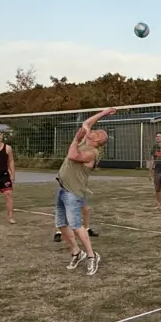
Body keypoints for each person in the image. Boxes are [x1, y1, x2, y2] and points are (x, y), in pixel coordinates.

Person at [55, 107, 116, 275]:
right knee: (61, 224)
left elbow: (72, 155)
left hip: (72, 193)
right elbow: (88, 123)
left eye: (97, 133)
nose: (94, 131)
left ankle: (91, 255)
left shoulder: (91, 152)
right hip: (62, 188)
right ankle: (76, 252)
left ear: (97, 142)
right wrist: (104, 113)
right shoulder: (86, 140)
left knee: (75, 225)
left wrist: (76, 139)